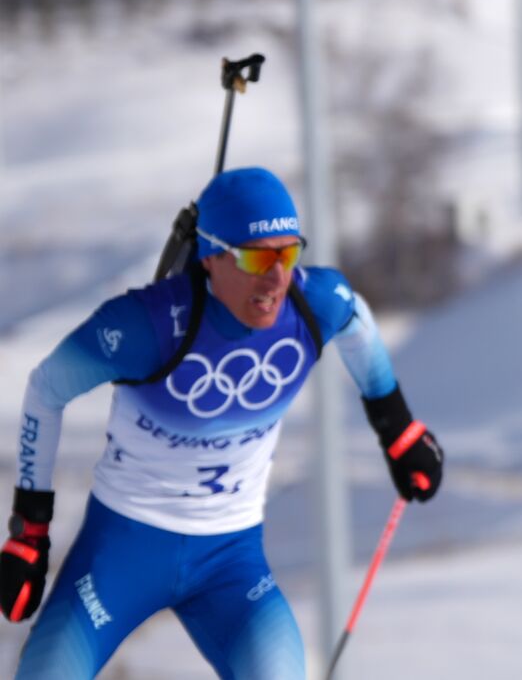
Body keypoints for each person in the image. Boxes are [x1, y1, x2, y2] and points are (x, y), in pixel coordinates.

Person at [0, 167, 443, 678]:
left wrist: (398, 430)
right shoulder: (145, 325)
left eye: (289, 253)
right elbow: (45, 389)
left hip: (231, 564)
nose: (277, 277)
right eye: (257, 258)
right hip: (121, 554)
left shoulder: (310, 303)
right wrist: (29, 528)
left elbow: (356, 320)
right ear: (210, 256)